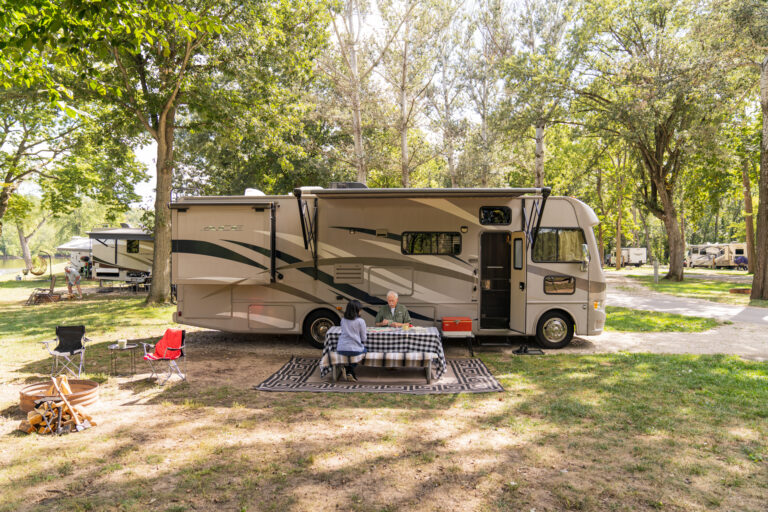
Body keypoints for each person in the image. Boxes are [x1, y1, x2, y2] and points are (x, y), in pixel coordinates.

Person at [336, 300, 367, 382]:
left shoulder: (343, 320)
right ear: (356, 310)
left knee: (352, 352)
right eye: (360, 309)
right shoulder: (361, 321)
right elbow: (364, 338)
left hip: (341, 349)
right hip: (354, 349)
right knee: (365, 351)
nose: (361, 311)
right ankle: (349, 368)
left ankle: (350, 372)